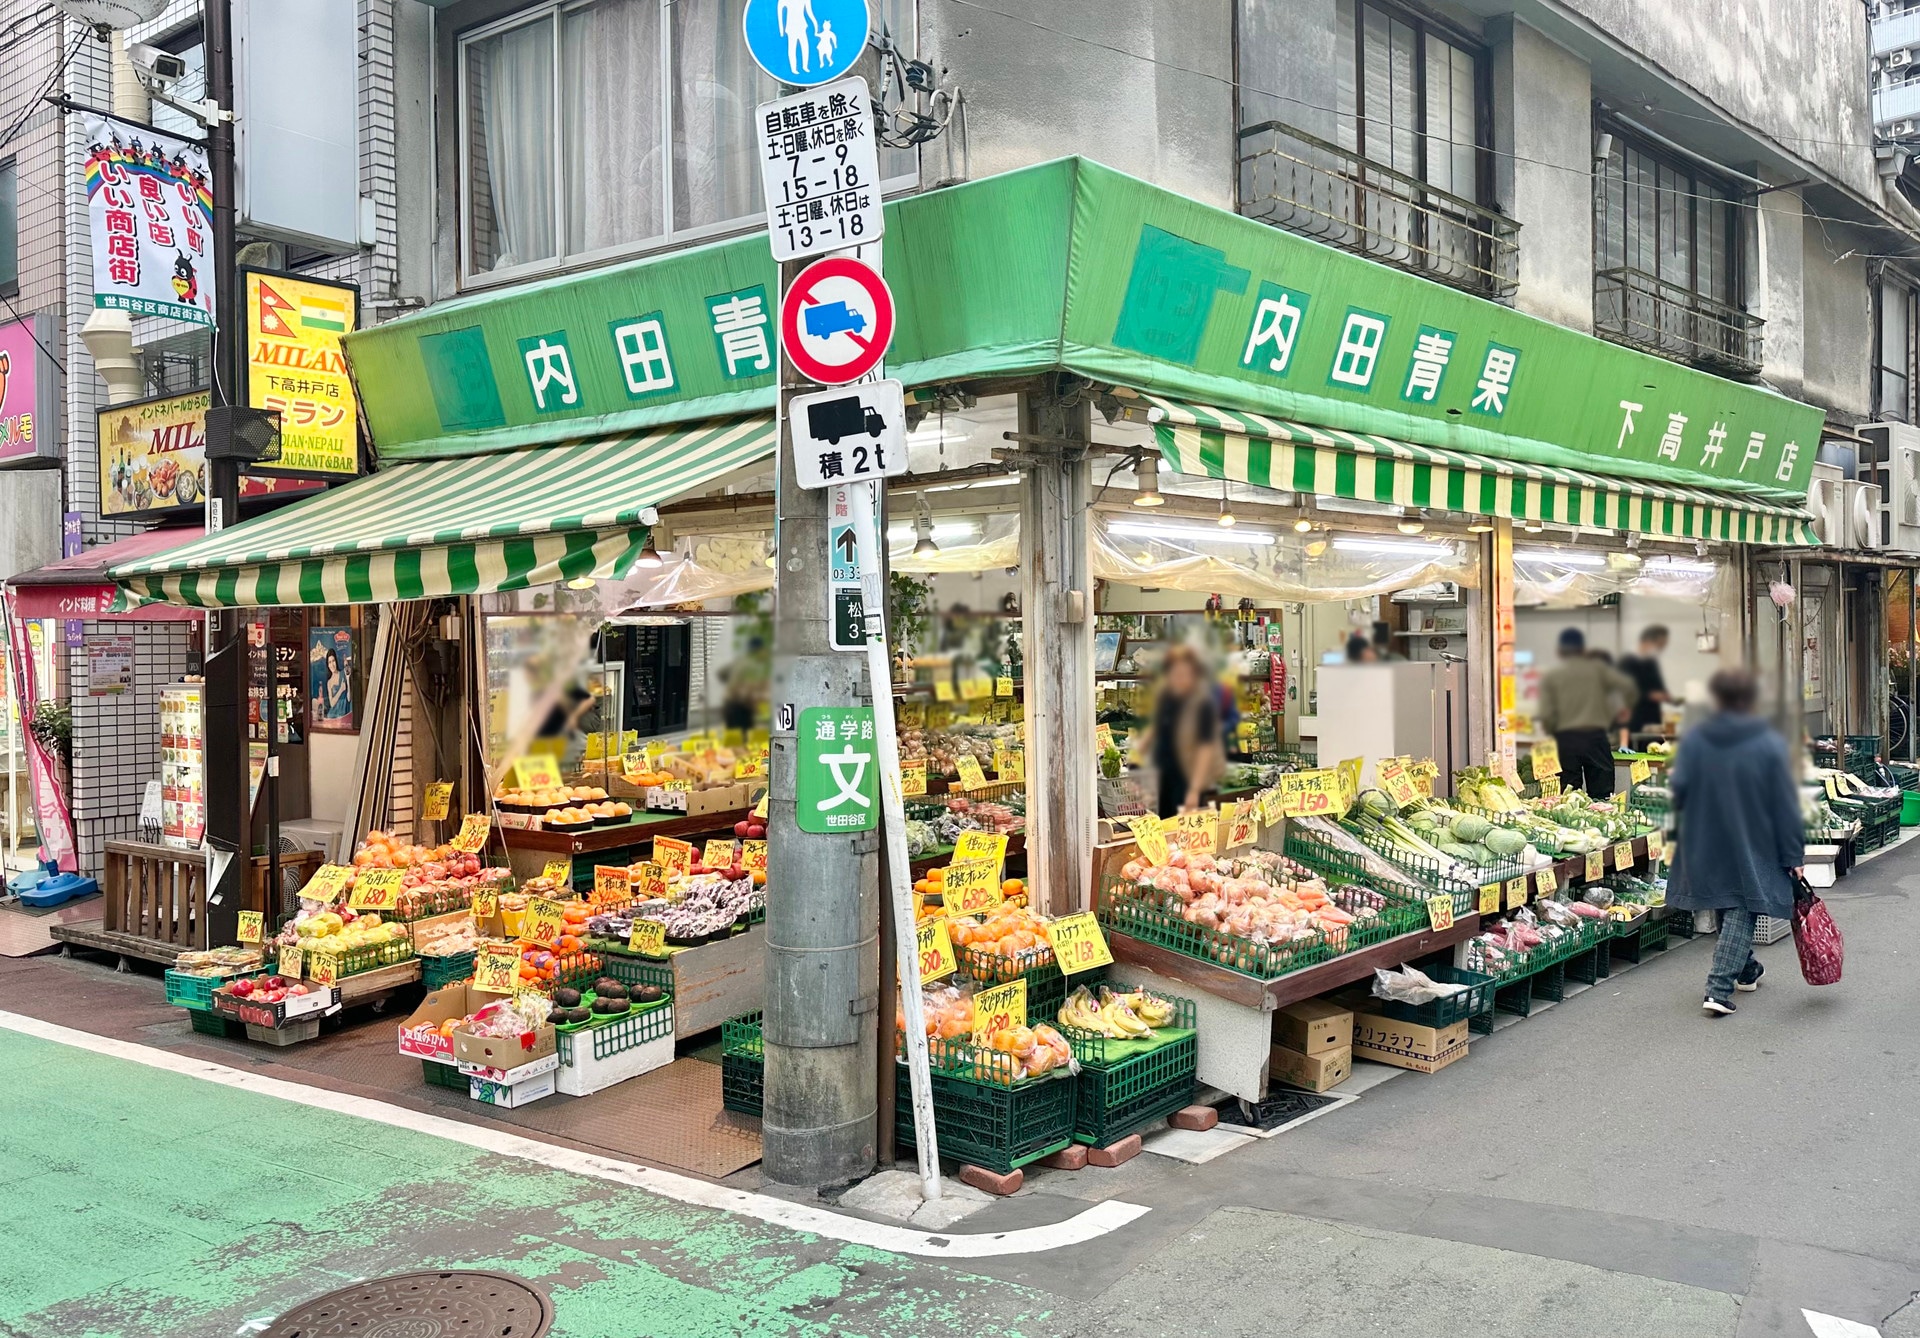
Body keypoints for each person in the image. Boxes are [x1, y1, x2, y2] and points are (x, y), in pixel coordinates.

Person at [1665, 668, 1804, 1016]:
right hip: (1750, 840)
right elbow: (1784, 805)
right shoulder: (1768, 744)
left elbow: (1678, 791)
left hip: (1702, 837)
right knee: (1743, 904)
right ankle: (1718, 989)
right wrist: (1793, 854)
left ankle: (1747, 970)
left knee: (1726, 900)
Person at [1537, 628, 1637, 798]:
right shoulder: (1599, 670)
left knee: (1569, 797)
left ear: (1560, 651)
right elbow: (1628, 689)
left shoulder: (1553, 676)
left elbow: (1546, 716)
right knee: (1601, 795)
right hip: (1594, 737)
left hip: (1565, 740)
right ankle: (1602, 822)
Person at [1144, 645, 1226, 818]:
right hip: (1163, 775)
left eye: (1183, 674)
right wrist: (1136, 755)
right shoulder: (1167, 696)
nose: (1178, 679)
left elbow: (1206, 749)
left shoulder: (1203, 704)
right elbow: (1156, 727)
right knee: (1164, 826)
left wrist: (1194, 790)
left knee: (1184, 831)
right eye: (1174, 673)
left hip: (1188, 778)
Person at [1619, 625, 1671, 740]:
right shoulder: (1627, 662)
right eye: (1660, 645)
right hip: (1634, 719)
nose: (1661, 649)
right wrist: (1649, 695)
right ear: (1647, 642)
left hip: (1653, 719)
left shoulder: (1651, 662)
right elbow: (1625, 692)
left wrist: (1665, 695)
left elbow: (1658, 685)